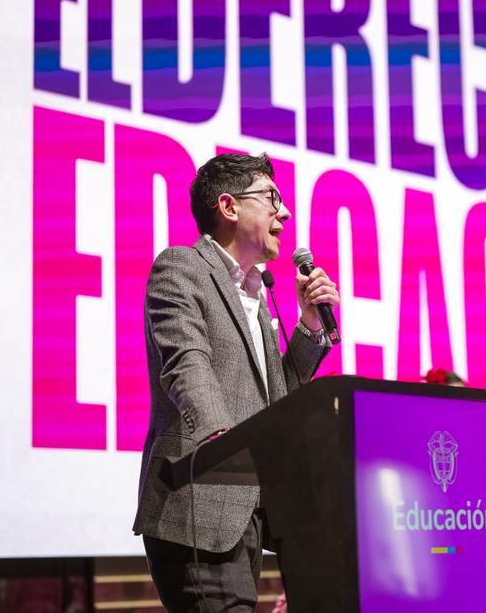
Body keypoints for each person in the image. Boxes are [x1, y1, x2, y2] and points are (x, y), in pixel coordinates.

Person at [132, 152, 339, 612]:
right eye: (272, 198)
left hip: (247, 506)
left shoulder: (258, 293)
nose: (284, 213)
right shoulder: (182, 267)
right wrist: (221, 443)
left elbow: (277, 398)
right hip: (199, 502)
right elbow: (186, 364)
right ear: (229, 207)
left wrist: (308, 327)